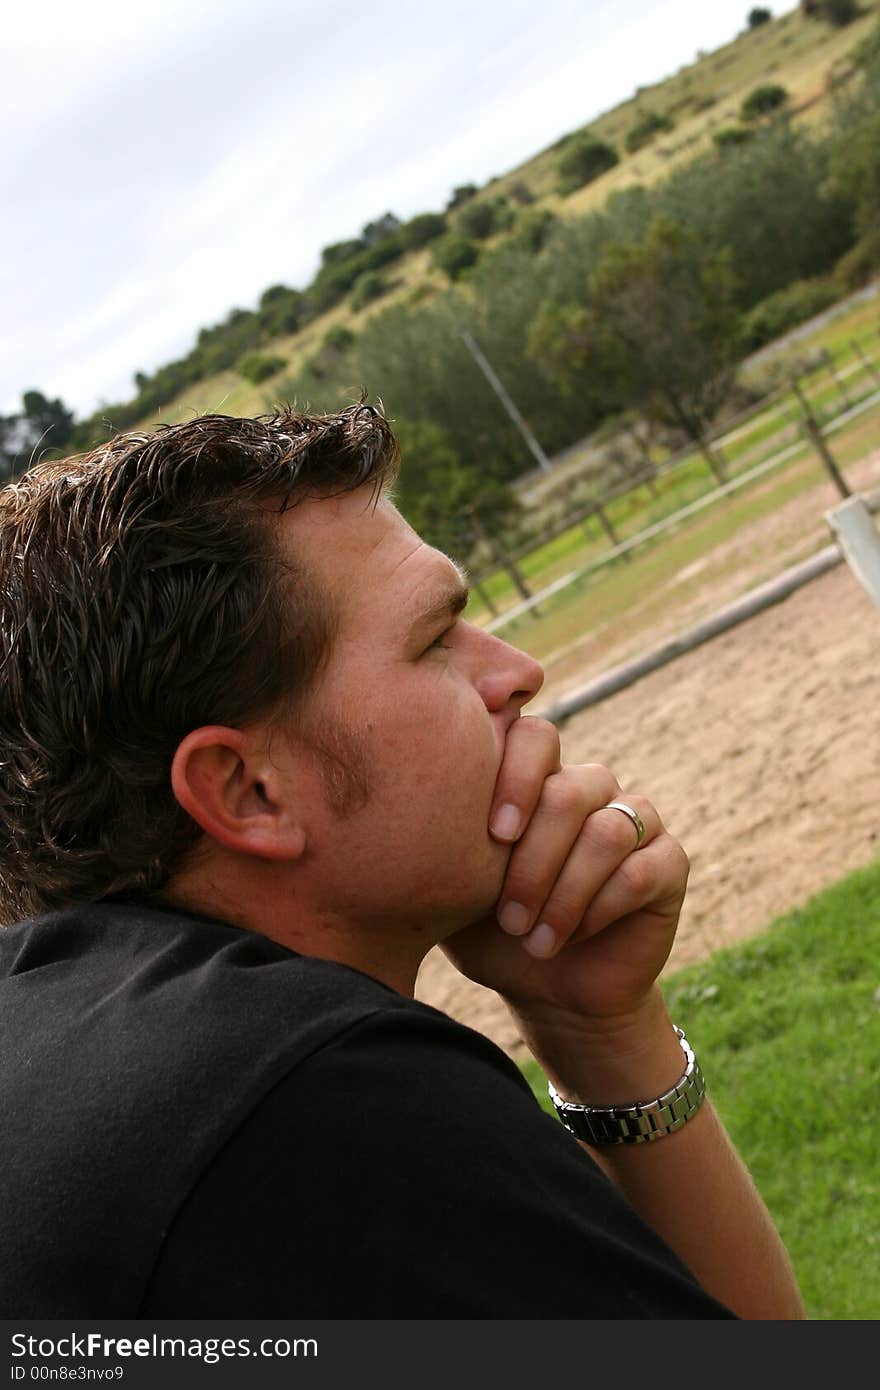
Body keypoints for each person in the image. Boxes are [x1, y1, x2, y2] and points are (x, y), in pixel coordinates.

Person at [0, 405, 804, 1319]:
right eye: (433, 641)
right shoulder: (307, 1102)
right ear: (247, 792)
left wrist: (599, 1033)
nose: (516, 671)